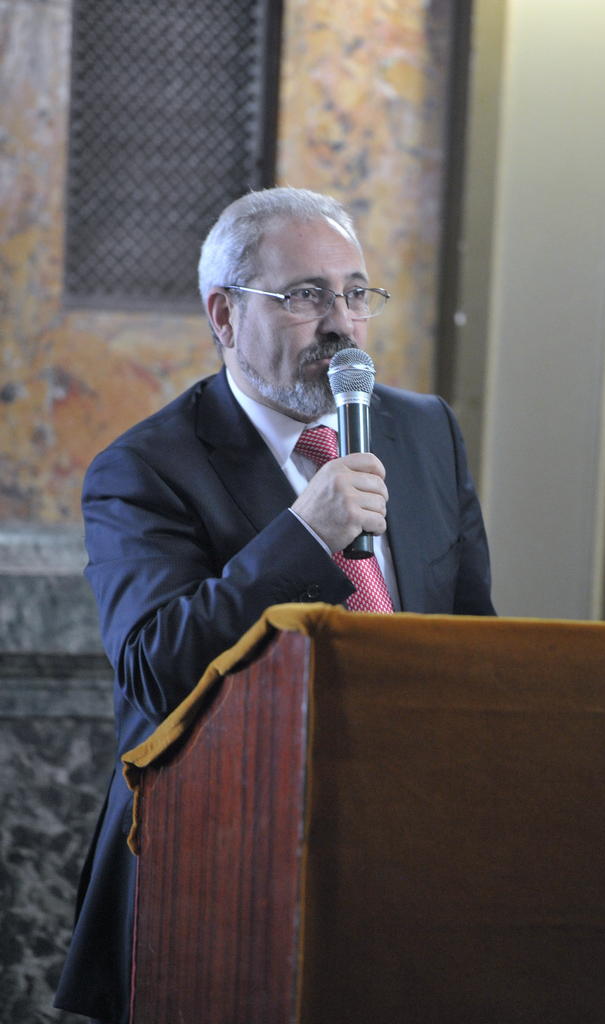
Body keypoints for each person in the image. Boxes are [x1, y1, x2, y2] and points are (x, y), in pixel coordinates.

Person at [54, 186, 494, 1023]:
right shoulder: (143, 469)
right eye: (304, 296)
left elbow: (473, 639)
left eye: (355, 293)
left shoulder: (425, 432)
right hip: (215, 864)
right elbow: (155, 668)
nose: (341, 323)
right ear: (224, 315)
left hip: (403, 850)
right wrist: (303, 535)